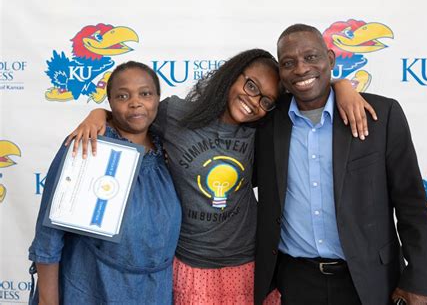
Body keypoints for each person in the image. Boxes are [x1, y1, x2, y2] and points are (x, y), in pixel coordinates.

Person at [66, 49, 374, 304]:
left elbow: (307, 92)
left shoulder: (264, 131)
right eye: (251, 86)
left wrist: (341, 86)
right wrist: (98, 114)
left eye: (265, 100)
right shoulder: (175, 115)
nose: (254, 101)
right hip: (190, 265)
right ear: (232, 75)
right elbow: (135, 113)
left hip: (248, 264)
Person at [253, 24, 427, 305]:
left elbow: (411, 204)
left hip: (369, 281)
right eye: (288, 63)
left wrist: (419, 279)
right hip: (293, 281)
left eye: (311, 57)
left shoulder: (381, 116)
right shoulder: (266, 123)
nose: (301, 69)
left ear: (330, 58)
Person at [28, 61, 182, 305]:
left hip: (153, 292)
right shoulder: (89, 143)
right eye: (122, 95)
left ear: (157, 99)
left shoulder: (168, 148)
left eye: (145, 93)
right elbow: (49, 235)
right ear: (110, 102)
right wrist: (48, 301)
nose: (135, 102)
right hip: (91, 287)